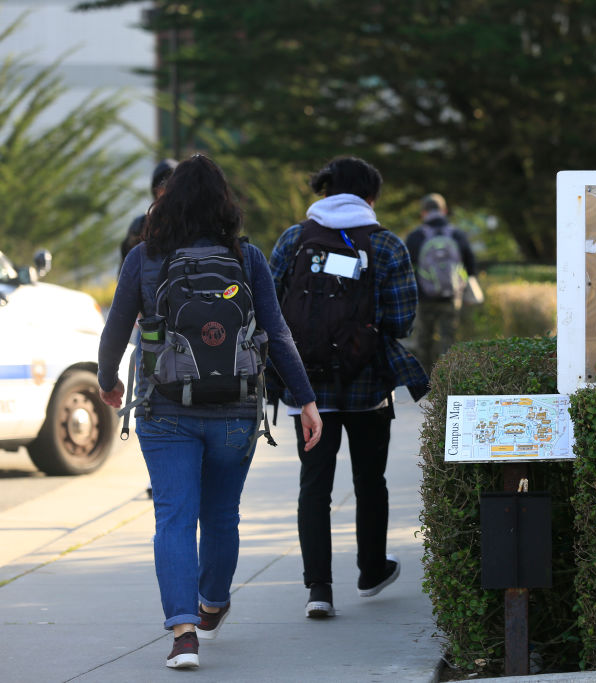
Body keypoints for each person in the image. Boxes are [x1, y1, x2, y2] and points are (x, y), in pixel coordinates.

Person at [97, 154, 323, 670]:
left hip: (164, 408)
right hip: (236, 409)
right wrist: (306, 399)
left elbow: (114, 332)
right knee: (221, 515)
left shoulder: (144, 257)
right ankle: (213, 603)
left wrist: (108, 383)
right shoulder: (247, 258)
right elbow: (278, 334)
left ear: (166, 202)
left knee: (174, 517)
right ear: (225, 204)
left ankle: (183, 635)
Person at [269, 155, 428, 619]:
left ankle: (318, 590)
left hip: (308, 390)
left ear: (324, 192)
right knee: (370, 481)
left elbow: (271, 308)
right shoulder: (387, 244)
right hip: (368, 387)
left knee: (314, 486)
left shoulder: (294, 239)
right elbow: (401, 319)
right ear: (370, 197)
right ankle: (371, 570)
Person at [404, 192, 478, 373]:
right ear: (444, 210)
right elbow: (470, 266)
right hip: (451, 297)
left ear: (423, 212)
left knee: (424, 340)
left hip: (424, 297)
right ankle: (447, 379)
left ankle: (425, 379)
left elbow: (405, 267)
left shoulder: (416, 236)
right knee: (448, 340)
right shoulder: (457, 235)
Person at [120, 158, 177, 266]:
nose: (168, 194)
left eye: (172, 188)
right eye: (163, 187)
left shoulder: (190, 226)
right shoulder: (140, 226)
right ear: (156, 192)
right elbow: (126, 268)